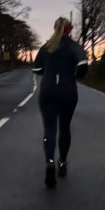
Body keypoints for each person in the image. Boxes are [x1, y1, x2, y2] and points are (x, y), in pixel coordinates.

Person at [32, 17, 89, 188]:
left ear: (54, 28)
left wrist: (48, 72)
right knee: (64, 128)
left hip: (48, 89)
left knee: (49, 129)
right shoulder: (73, 46)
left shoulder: (46, 47)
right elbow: (83, 66)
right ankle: (62, 163)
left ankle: (49, 163)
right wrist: (74, 76)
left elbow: (36, 69)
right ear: (69, 30)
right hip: (67, 90)